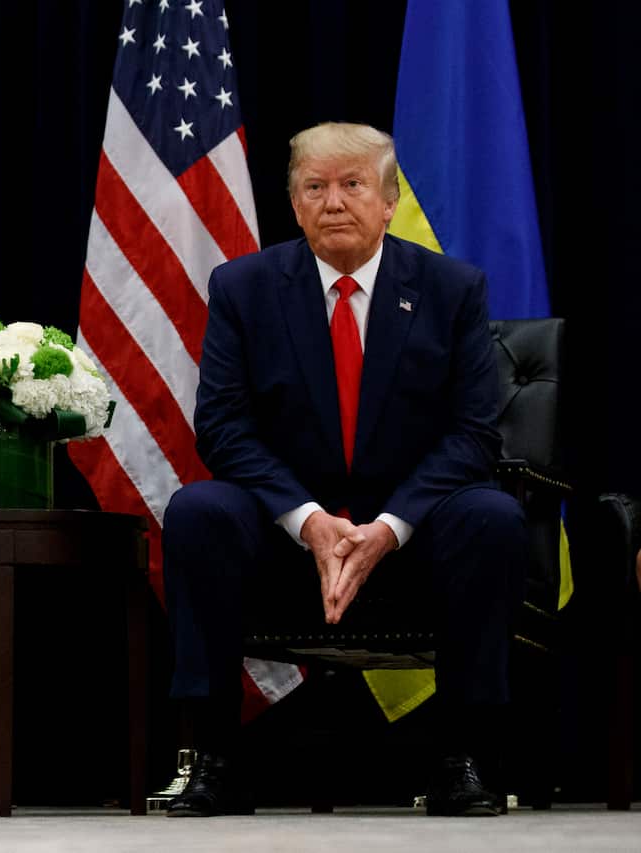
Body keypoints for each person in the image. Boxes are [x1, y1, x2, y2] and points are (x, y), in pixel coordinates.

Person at [163, 123, 527, 817]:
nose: (333, 202)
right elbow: (223, 427)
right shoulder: (244, 287)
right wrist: (309, 522)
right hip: (285, 540)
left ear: (389, 201)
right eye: (315, 187)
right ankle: (214, 756)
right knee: (199, 511)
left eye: (353, 185)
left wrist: (388, 527)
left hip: (414, 537)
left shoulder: (452, 288)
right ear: (294, 204)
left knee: (492, 516)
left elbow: (473, 433)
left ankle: (465, 759)